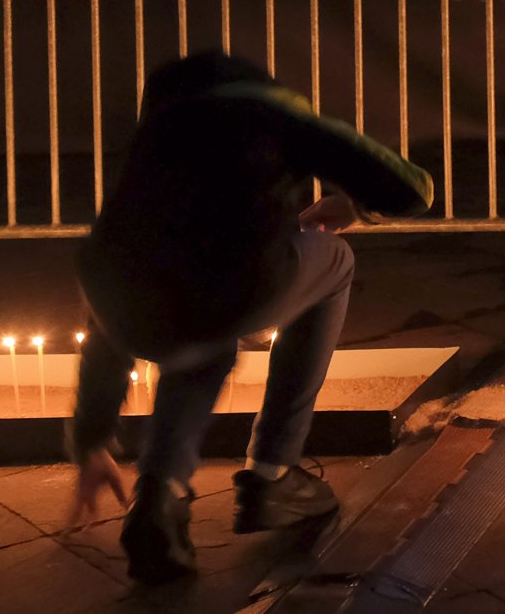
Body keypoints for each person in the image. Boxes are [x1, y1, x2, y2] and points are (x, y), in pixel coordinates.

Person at [67, 51, 433, 583]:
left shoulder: (150, 146)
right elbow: (412, 189)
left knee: (192, 340)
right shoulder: (277, 118)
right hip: (230, 286)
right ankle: (273, 473)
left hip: (129, 301)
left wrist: (92, 440)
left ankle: (158, 498)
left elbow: (108, 303)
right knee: (334, 262)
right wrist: (355, 204)